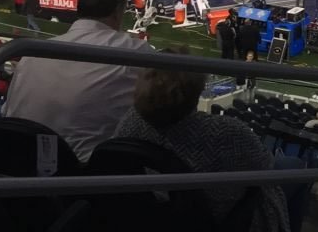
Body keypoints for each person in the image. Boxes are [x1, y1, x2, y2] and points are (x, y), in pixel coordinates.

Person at [114, 61, 290, 231]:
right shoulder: (225, 132)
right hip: (217, 219)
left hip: (149, 219)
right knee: (292, 167)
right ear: (195, 93)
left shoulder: (130, 123)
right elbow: (265, 165)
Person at [4, 0, 151, 161]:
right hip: (82, 178)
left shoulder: (32, 54)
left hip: (15, 166)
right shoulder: (135, 53)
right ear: (118, 11)